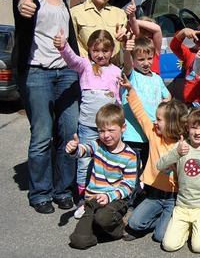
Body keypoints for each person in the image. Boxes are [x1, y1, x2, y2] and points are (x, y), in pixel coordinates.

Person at [13, 0, 80, 214]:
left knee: (68, 132)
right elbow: (23, 4)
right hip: (37, 72)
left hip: (65, 73)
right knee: (41, 135)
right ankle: (40, 191)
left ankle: (63, 189)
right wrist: (23, 7)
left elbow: (69, 37)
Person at [54, 29, 122, 218]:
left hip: (108, 129)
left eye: (105, 51)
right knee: (84, 162)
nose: (100, 55)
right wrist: (63, 47)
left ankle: (109, 195)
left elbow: (118, 100)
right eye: (96, 50)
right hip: (87, 126)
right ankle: (84, 200)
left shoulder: (116, 71)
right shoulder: (85, 65)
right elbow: (72, 59)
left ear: (112, 51)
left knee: (108, 162)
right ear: (90, 50)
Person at [120, 74, 188, 243]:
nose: (155, 122)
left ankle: (171, 223)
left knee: (160, 237)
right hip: (155, 195)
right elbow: (140, 113)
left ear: (172, 123)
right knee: (134, 224)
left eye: (159, 119)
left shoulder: (184, 145)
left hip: (174, 198)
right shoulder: (154, 135)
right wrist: (131, 90)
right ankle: (161, 220)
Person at [66, 104, 137, 249]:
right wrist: (74, 149)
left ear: (123, 128)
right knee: (78, 241)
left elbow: (128, 186)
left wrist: (109, 196)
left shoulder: (129, 156)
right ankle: (98, 227)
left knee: (103, 217)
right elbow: (83, 150)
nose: (106, 135)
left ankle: (119, 228)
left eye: (111, 130)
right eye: (101, 131)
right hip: (92, 201)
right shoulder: (98, 145)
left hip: (115, 200)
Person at [156, 108, 200, 253]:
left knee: (199, 247)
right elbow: (160, 166)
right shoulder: (181, 147)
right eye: (194, 127)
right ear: (188, 127)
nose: (197, 132)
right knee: (169, 245)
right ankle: (190, 228)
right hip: (183, 206)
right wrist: (176, 153)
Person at [122, 37, 171, 169]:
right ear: (133, 59)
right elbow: (127, 65)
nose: (146, 63)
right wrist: (127, 52)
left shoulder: (157, 78)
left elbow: (167, 95)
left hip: (151, 134)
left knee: (150, 171)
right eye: (141, 59)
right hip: (133, 134)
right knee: (132, 172)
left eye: (149, 58)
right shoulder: (132, 75)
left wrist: (166, 102)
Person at [70, 0, 127, 66]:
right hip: (87, 71)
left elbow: (126, 46)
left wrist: (125, 39)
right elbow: (73, 45)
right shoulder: (75, 13)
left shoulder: (120, 14)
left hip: (115, 71)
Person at [125, 0, 162, 75]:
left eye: (150, 37)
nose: (146, 39)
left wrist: (134, 20)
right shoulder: (134, 47)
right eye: (143, 36)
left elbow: (157, 29)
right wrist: (132, 19)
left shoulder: (155, 51)